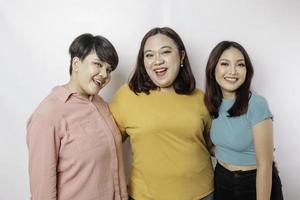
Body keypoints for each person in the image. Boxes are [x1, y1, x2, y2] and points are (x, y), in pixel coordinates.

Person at [110, 27, 214, 200]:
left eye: (165, 52)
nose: (157, 61)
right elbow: (104, 144)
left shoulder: (200, 98)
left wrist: (252, 154)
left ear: (181, 56)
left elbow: (215, 146)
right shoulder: (127, 95)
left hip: (202, 194)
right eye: (149, 55)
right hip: (144, 196)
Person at [27, 33, 128, 200]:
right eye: (98, 64)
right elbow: (42, 194)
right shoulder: (47, 116)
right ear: (76, 63)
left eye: (109, 70)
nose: (104, 74)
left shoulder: (101, 104)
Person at [204, 41, 284, 200]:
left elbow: (265, 166)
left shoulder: (257, 104)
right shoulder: (212, 103)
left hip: (253, 182)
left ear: (247, 71)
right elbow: (216, 146)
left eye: (240, 65)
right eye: (225, 64)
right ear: (213, 69)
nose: (233, 71)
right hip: (221, 179)